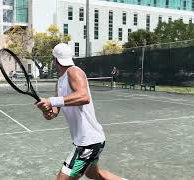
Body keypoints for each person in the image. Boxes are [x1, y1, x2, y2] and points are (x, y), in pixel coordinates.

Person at [36, 43, 127, 180]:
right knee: (94, 174)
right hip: (90, 141)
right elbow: (53, 113)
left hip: (87, 143)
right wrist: (46, 109)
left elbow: (84, 97)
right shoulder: (60, 81)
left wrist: (52, 101)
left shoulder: (74, 71)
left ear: (54, 60)